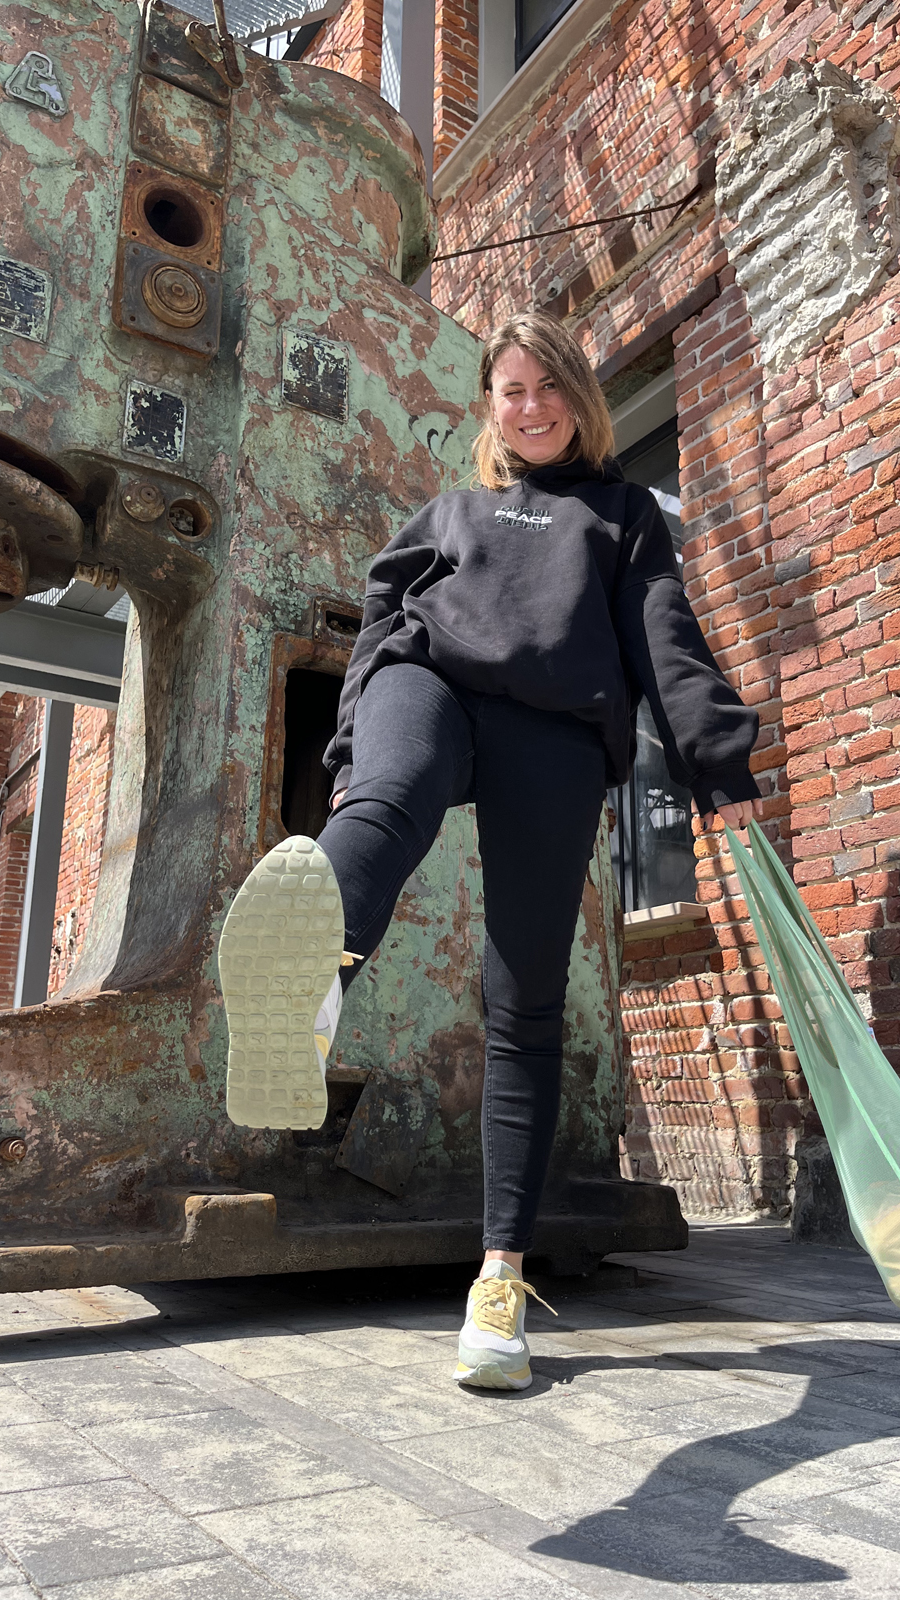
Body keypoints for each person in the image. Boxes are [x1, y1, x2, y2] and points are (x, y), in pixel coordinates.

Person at [219, 311, 760, 1391]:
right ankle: (307, 989)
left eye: (549, 387)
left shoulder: (623, 518)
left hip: (555, 736)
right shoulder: (450, 513)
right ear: (490, 407)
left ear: (580, 399)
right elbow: (381, 620)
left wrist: (718, 766)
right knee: (385, 800)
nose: (531, 407)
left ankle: (500, 1275)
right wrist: (349, 742)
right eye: (512, 390)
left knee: (525, 1002)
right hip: (432, 684)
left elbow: (665, 638)